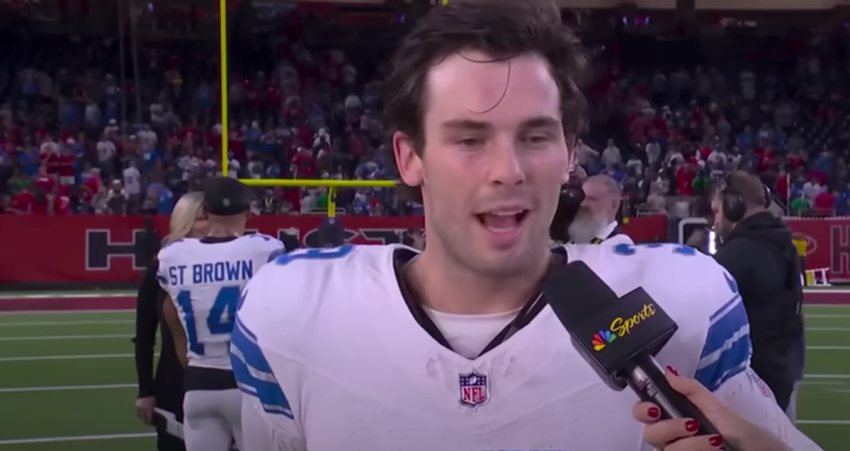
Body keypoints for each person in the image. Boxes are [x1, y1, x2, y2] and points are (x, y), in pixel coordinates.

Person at [231, 2, 820, 450]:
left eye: (535, 136)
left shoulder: (684, 303)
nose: (507, 171)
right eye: (469, 138)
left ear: (569, 154)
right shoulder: (292, 315)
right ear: (409, 157)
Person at [158, 177, 285, 451]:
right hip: (251, 386)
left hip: (199, 384)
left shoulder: (173, 255)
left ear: (203, 212)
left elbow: (174, 323)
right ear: (249, 213)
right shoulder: (265, 249)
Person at [707, 170, 805, 416]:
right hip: (782, 376)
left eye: (717, 211)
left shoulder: (739, 254)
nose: (714, 222)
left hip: (753, 388)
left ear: (733, 206)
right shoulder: (782, 243)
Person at [134, 192, 207, 451]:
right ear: (184, 222)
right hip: (174, 382)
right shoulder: (161, 267)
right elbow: (144, 335)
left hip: (221, 382)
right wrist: (146, 391)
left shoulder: (234, 266)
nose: (209, 226)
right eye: (201, 219)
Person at [567, 174, 633, 245]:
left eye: (592, 199)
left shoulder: (619, 243)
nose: (583, 204)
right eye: (582, 198)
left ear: (614, 205)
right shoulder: (573, 239)